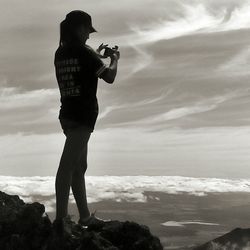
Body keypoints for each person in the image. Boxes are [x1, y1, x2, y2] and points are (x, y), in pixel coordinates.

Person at [53, 10, 120, 233]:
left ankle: (84, 217)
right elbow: (109, 77)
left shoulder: (60, 53)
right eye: (87, 30)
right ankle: (61, 221)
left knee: (79, 166)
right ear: (80, 28)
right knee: (68, 167)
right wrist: (113, 59)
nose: (89, 35)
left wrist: (97, 55)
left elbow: (81, 65)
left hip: (67, 115)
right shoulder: (85, 52)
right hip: (83, 116)